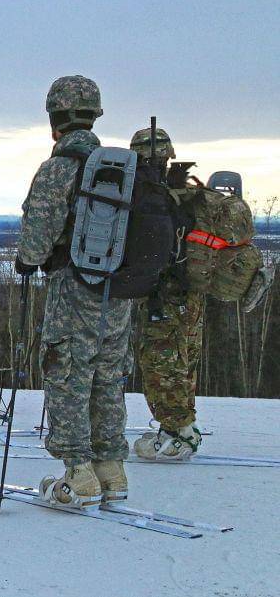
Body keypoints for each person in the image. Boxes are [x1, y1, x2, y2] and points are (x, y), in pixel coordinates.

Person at [15, 75, 130, 509]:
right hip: (116, 295)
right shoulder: (121, 170)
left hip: (73, 288)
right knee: (107, 377)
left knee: (67, 374)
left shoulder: (59, 168)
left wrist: (26, 261)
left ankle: (78, 475)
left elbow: (37, 236)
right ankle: (111, 470)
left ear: (54, 120)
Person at [129, 128, 206, 459]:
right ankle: (181, 425)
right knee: (183, 359)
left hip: (164, 294)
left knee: (161, 362)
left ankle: (177, 434)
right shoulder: (188, 192)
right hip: (191, 294)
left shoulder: (149, 195)